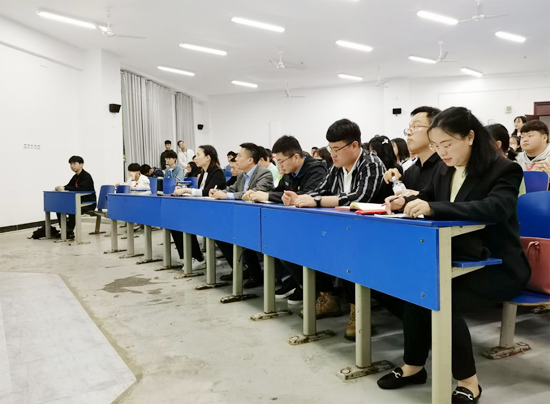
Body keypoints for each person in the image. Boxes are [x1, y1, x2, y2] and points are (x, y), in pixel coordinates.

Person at [380, 107, 530, 404]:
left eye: (447, 144)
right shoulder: (444, 169)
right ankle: (413, 366)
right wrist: (404, 201)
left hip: (497, 265)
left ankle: (468, 381)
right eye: (436, 146)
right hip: (456, 259)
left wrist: (433, 208)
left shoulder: (504, 169)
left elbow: (495, 208)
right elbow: (427, 196)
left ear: (470, 137)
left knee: (440, 297)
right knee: (417, 289)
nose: (442, 153)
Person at [283, 118, 387, 340]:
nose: (333, 154)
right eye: (330, 148)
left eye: (337, 149)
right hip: (343, 230)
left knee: (346, 253)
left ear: (354, 145)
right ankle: (327, 296)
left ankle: (358, 309)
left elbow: (360, 197)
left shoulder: (371, 163)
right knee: (297, 246)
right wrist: (299, 197)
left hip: (373, 233)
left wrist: (316, 200)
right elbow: (321, 190)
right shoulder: (336, 168)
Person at [245, 135, 327, 293]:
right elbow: (279, 192)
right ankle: (297, 283)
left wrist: (268, 196)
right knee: (269, 238)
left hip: (316, 225)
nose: (279, 165)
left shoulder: (316, 169)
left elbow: (306, 196)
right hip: (295, 222)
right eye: (277, 161)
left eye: (281, 161)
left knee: (286, 244)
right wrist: (257, 193)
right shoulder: (290, 171)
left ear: (295, 157)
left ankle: (314, 289)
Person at [209, 143, 273, 282]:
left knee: (243, 235)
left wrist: (226, 196)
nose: (236, 159)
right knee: (220, 234)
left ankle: (255, 274)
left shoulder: (264, 173)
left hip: (259, 219)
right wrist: (219, 192)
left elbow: (254, 193)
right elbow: (232, 189)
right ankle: (242, 269)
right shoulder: (242, 175)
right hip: (243, 217)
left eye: (239, 156)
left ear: (250, 160)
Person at [171, 145, 227, 270]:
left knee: (184, 223)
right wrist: (184, 190)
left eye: (198, 154)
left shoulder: (217, 172)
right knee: (174, 222)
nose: (195, 157)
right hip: (202, 209)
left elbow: (207, 193)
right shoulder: (202, 174)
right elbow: (200, 193)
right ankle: (186, 256)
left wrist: (187, 190)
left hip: (214, 212)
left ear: (208, 157)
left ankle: (198, 258)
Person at [384, 106, 443, 193]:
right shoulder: (411, 171)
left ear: (434, 130)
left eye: (415, 126)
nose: (408, 133)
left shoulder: (445, 168)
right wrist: (393, 180)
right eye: (409, 128)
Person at [54, 156, 96, 239]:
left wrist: (64, 188)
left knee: (73, 209)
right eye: (71, 164)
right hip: (78, 202)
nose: (72, 166)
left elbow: (81, 189)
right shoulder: (75, 177)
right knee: (59, 209)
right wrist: (61, 187)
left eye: (74, 164)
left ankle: (69, 231)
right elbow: (69, 186)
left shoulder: (86, 176)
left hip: (88, 203)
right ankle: (65, 230)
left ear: (81, 164)